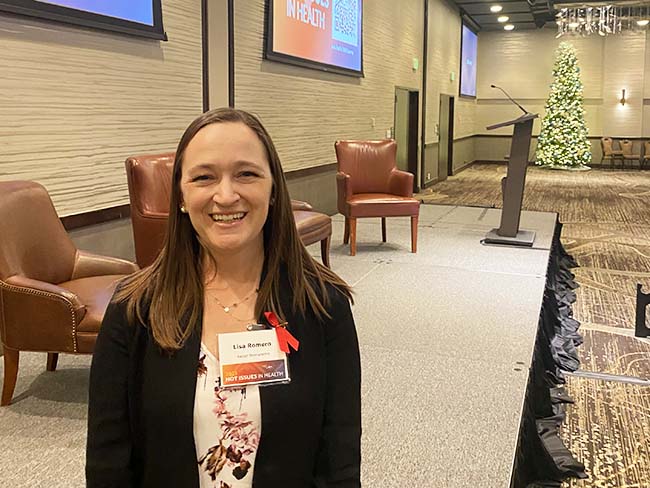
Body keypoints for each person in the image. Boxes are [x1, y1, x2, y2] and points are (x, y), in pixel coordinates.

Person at [86, 108, 361, 487]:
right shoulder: (134, 310)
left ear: (274, 188)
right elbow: (108, 463)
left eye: (246, 174)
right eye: (204, 177)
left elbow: (339, 462)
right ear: (181, 195)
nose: (226, 195)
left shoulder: (323, 305)